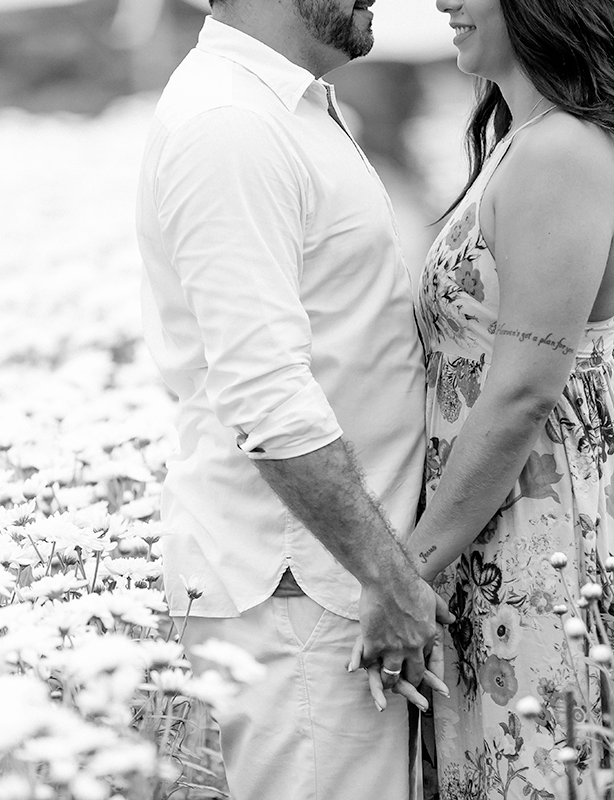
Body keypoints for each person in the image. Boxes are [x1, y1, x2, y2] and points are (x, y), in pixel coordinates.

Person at [135, 2, 453, 799]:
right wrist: (385, 575)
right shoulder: (232, 123)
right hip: (302, 581)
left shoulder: (284, 103)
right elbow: (263, 391)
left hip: (330, 576)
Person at [403, 0, 614, 795]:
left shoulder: (559, 151)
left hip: (543, 522)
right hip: (498, 512)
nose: (443, 1)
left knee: (540, 766)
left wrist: (407, 572)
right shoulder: (527, 140)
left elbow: (523, 391)